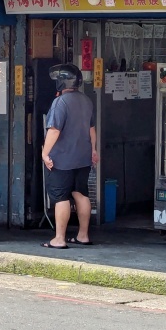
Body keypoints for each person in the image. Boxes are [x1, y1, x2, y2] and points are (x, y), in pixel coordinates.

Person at [41, 63, 97, 249]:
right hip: (83, 157)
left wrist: (45, 152)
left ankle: (59, 239)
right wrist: (94, 150)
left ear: (60, 82)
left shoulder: (60, 103)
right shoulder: (86, 100)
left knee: (61, 197)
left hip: (62, 159)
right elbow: (92, 129)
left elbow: (54, 130)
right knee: (81, 194)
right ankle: (83, 235)